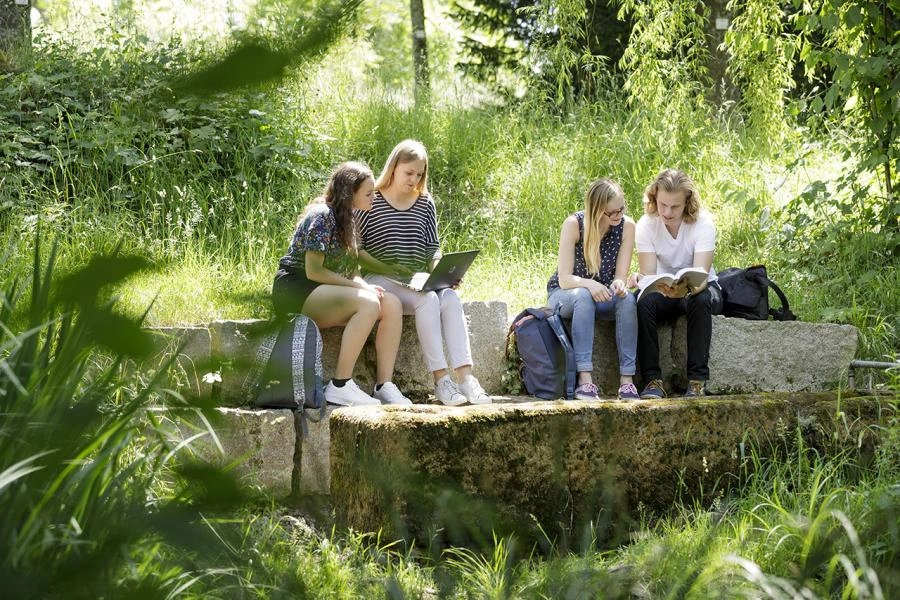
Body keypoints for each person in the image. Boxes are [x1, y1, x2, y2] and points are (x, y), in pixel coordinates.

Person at [355, 139, 492, 406]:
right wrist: (387, 267)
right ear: (394, 168)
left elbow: (432, 247)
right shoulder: (373, 199)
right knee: (428, 300)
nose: (414, 179)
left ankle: (466, 380)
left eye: (419, 174)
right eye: (409, 173)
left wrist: (442, 273)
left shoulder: (425, 202)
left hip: (417, 281)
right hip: (382, 280)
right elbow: (356, 250)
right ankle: (442, 381)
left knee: (450, 298)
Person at [272, 161, 411, 407]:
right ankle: (340, 385)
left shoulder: (350, 221)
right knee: (368, 303)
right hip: (297, 289)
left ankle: (384, 386)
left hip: (326, 291)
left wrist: (363, 285)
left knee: (390, 303)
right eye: (368, 194)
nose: (373, 198)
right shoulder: (322, 216)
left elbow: (353, 272)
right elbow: (313, 271)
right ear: (350, 193)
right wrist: (360, 290)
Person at [628, 168, 723, 399]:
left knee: (700, 300)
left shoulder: (703, 224)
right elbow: (649, 274)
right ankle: (653, 380)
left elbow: (701, 276)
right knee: (641, 303)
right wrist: (642, 280)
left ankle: (697, 380)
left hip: (699, 290)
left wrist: (685, 289)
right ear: (654, 199)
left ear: (687, 203)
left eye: (675, 206)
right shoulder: (646, 225)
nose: (667, 212)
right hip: (666, 290)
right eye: (662, 205)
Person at [546, 178, 640, 401]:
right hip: (567, 294)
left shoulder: (627, 226)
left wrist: (618, 284)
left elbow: (619, 275)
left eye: (621, 210)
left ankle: (627, 381)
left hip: (602, 294)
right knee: (584, 297)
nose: (618, 216)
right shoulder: (574, 225)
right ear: (597, 210)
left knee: (627, 300)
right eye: (612, 213)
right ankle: (585, 380)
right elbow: (565, 278)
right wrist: (590, 284)